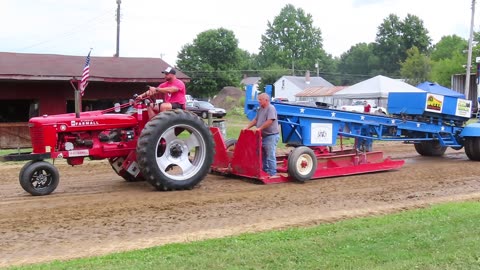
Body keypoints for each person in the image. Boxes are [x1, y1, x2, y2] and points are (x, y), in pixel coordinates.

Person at [245, 93, 280, 177]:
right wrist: (247, 127)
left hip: (271, 136)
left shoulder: (271, 108)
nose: (258, 101)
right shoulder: (260, 109)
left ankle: (273, 174)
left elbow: (270, 121)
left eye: (260, 99)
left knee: (270, 154)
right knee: (263, 154)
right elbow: (255, 120)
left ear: (266, 100)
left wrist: (259, 128)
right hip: (263, 136)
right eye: (258, 99)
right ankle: (265, 171)